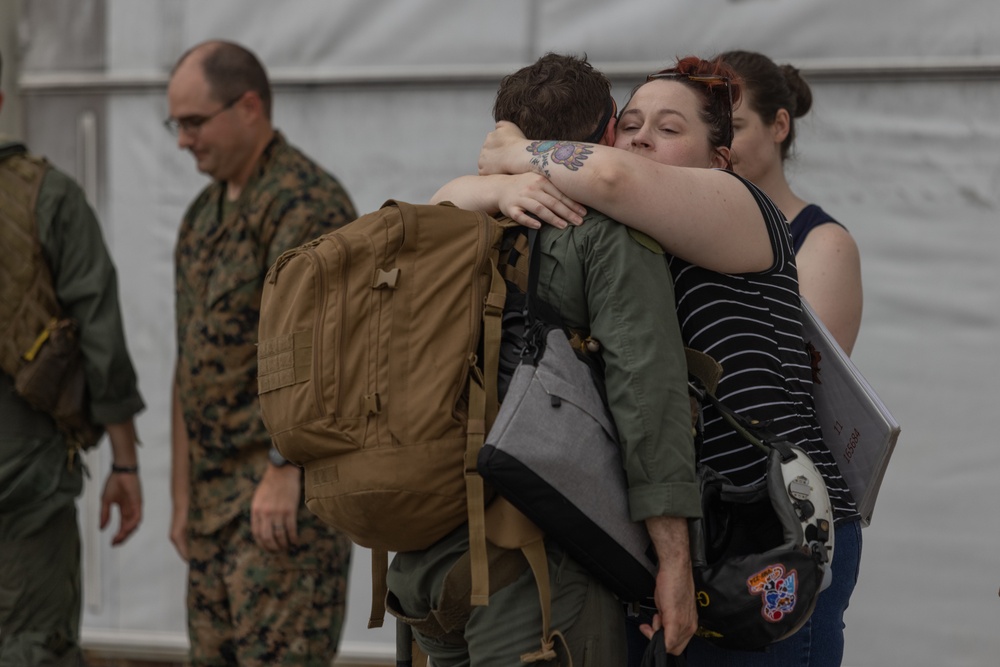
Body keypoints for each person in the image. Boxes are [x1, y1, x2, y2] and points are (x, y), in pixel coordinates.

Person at [444, 55, 862, 667]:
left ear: (719, 157)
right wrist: (494, 187)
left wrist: (517, 148)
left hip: (771, 529)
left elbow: (611, 177)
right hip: (688, 530)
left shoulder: (739, 202)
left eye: (669, 129)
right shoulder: (613, 230)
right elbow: (438, 208)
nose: (642, 136)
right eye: (632, 122)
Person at [388, 53, 702, 666]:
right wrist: (674, 561)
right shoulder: (604, 234)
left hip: (424, 558)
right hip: (534, 562)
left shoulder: (446, 225)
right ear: (610, 130)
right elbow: (647, 397)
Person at [166, 40, 356, 666]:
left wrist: (284, 466)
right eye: (176, 124)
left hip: (279, 505)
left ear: (248, 107)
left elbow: (330, 350)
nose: (183, 140)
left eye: (194, 122)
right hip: (216, 506)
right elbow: (190, 358)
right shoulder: (203, 215)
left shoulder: (305, 203)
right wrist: (183, 493)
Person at [0, 49, 145, 666]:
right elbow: (100, 336)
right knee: (34, 644)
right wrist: (125, 463)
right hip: (24, 463)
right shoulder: (46, 195)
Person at [721, 49, 863, 355]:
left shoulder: (825, 243)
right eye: (709, 127)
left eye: (734, 127)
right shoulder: (685, 223)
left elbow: (815, 381)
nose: (719, 143)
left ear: (780, 126)